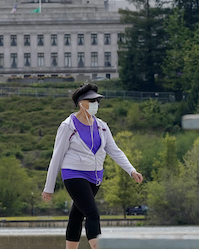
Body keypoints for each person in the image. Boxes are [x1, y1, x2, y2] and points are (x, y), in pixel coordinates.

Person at [42, 83, 143, 249]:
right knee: (92, 214)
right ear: (81, 103)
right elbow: (57, 157)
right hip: (74, 175)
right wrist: (49, 187)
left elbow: (114, 150)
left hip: (95, 177)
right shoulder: (68, 126)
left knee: (76, 215)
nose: (97, 104)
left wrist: (131, 170)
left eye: (98, 101)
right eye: (93, 101)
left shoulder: (102, 126)